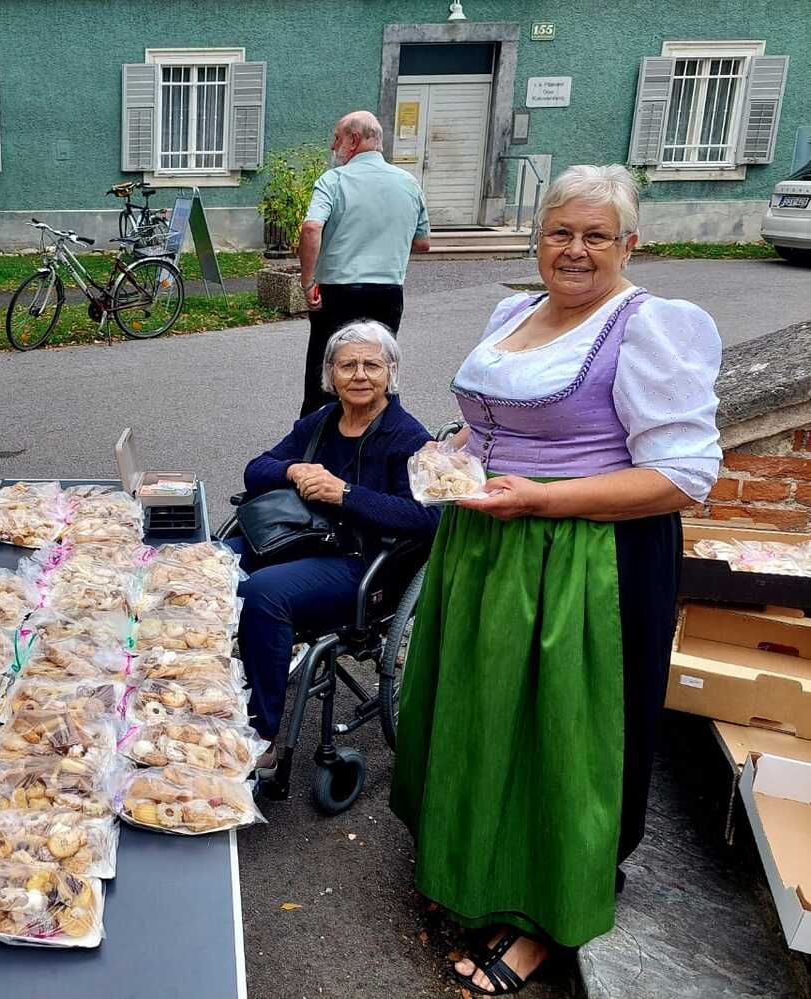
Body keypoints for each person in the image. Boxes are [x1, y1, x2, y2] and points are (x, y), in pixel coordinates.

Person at [390, 165, 722, 995]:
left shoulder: (649, 327)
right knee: (484, 713)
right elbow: (490, 422)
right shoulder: (514, 312)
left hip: (582, 562)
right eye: (560, 233)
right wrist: (453, 455)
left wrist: (544, 498)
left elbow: (683, 476)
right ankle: (474, 870)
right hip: (488, 543)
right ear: (537, 240)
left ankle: (544, 916)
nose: (575, 250)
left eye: (596, 235)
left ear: (629, 243)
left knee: (561, 735)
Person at [229, 322, 438, 754]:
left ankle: (261, 736)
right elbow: (255, 470)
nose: (359, 375)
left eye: (372, 365)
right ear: (330, 374)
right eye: (347, 366)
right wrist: (293, 469)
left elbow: (427, 518)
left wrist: (346, 495)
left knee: (262, 592)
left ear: (391, 372)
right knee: (208, 565)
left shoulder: (408, 438)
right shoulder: (322, 422)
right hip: (300, 539)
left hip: (362, 564)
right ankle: (201, 690)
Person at [298, 110, 430, 416]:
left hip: (337, 291)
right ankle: (383, 431)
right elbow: (423, 242)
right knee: (378, 365)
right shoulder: (408, 183)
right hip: (387, 291)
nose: (333, 146)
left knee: (326, 368)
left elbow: (311, 228)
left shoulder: (334, 180)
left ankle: (317, 435)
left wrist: (307, 282)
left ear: (354, 140)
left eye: (337, 138)